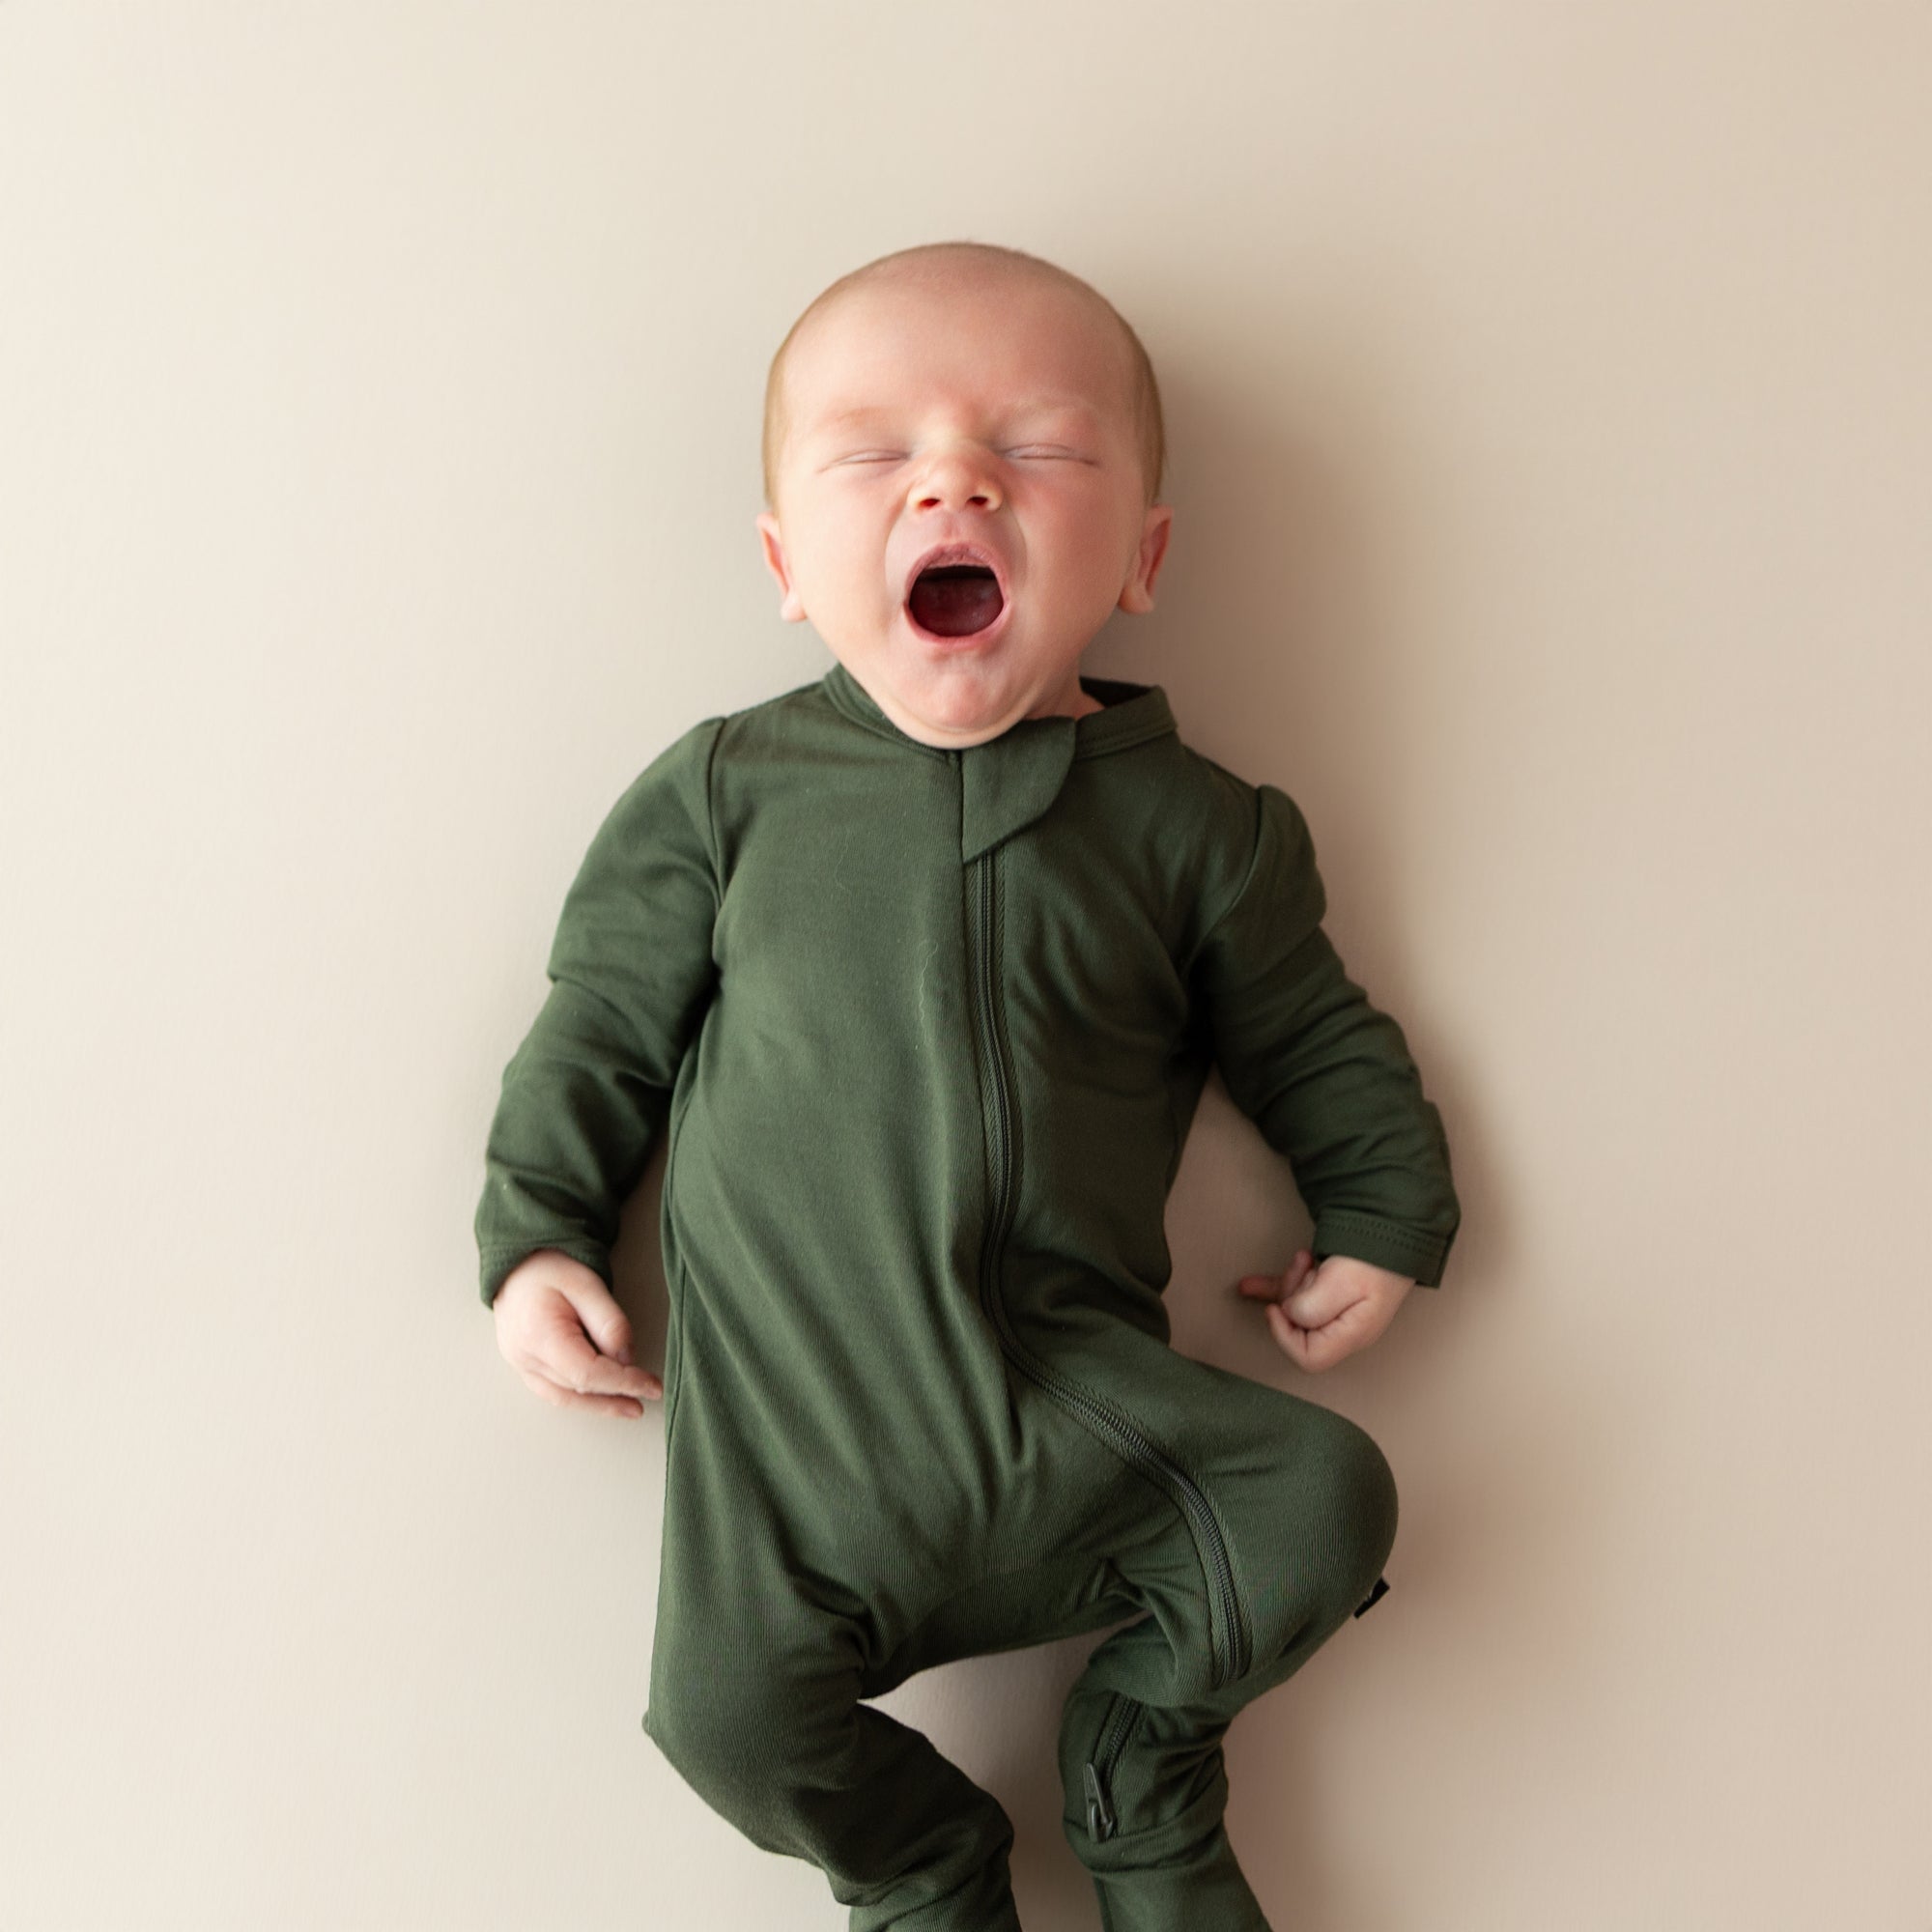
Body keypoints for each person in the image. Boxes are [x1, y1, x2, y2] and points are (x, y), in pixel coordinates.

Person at [475, 239, 1460, 1932]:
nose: (957, 479)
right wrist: (538, 1232)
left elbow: (1309, 1029)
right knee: (716, 1717)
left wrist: (1378, 1208)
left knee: (1329, 1500)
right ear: (791, 564)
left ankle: (1138, 1778)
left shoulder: (1200, 829)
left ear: (1141, 555)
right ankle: (924, 1864)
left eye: (1042, 450)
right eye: (877, 453)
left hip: (1080, 1418)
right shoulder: (729, 793)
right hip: (797, 1461)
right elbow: (601, 1022)